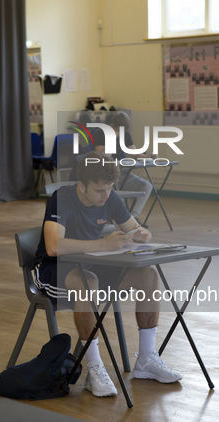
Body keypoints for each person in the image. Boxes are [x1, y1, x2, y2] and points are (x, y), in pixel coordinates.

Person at [35, 151, 181, 398]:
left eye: (110, 188)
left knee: (148, 276)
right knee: (88, 282)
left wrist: (142, 234)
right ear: (81, 185)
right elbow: (53, 246)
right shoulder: (63, 198)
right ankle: (94, 369)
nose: (106, 195)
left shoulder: (110, 197)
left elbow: (137, 228)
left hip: (91, 264)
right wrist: (102, 245)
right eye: (100, 190)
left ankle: (146, 359)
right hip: (53, 269)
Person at [92, 111, 154, 223]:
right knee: (116, 195)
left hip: (122, 172)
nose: (121, 134)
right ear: (111, 126)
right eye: (119, 131)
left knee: (146, 186)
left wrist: (149, 157)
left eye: (123, 131)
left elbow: (135, 154)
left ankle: (133, 218)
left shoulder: (125, 134)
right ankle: (119, 221)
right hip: (105, 175)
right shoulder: (99, 134)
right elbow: (104, 156)